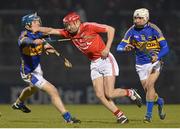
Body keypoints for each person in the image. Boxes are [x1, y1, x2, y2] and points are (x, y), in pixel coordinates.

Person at [31, 12, 142, 124]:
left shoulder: (89, 26)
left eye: (69, 24)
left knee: (110, 93)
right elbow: (50, 30)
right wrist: (37, 28)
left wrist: (107, 48)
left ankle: (130, 93)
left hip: (106, 60)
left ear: (77, 22)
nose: (67, 28)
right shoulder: (68, 33)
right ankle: (120, 116)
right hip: (94, 63)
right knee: (99, 94)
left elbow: (111, 29)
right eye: (66, 25)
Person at [12, 13, 80, 123]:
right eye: (34, 22)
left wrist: (62, 58)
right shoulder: (23, 36)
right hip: (29, 72)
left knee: (32, 89)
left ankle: (19, 103)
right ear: (27, 26)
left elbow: (48, 47)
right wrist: (34, 42)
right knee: (53, 90)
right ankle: (68, 118)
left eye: (38, 20)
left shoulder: (40, 34)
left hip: (37, 68)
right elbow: (25, 41)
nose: (38, 23)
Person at [117, 8, 169, 123]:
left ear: (146, 18)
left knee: (150, 85)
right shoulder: (131, 31)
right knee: (148, 90)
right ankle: (159, 102)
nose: (137, 20)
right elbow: (119, 47)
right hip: (140, 65)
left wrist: (158, 56)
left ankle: (148, 116)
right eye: (135, 18)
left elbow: (166, 47)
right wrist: (125, 48)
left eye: (140, 18)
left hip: (155, 62)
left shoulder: (154, 29)